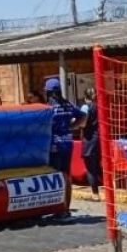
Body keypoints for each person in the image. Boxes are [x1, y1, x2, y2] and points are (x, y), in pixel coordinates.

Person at [45, 78, 85, 219]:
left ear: (48, 92)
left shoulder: (49, 108)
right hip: (68, 144)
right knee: (67, 177)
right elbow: (82, 116)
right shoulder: (68, 105)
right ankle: (65, 208)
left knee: (56, 177)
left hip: (55, 145)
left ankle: (58, 209)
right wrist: (71, 127)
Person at [79, 88, 102, 197]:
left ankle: (95, 193)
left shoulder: (85, 107)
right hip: (99, 139)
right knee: (98, 166)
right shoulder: (99, 106)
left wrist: (74, 123)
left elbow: (83, 124)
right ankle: (108, 189)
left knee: (90, 168)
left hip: (89, 140)